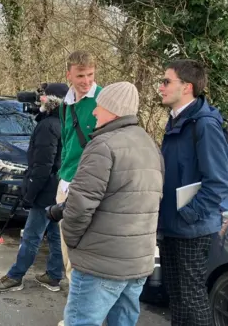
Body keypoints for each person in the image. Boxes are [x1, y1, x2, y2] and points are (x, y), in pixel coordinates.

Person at [46, 81, 163, 326]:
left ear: (115, 110)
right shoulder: (150, 145)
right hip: (138, 261)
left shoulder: (102, 145)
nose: (96, 112)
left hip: (101, 263)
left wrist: (72, 242)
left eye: (100, 106)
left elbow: (79, 205)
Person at [157, 59, 228, 326]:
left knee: (192, 298)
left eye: (166, 81)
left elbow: (221, 181)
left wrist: (189, 214)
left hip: (192, 228)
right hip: (172, 226)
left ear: (187, 87)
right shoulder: (178, 120)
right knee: (176, 296)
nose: (161, 87)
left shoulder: (204, 124)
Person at [0, 83, 69, 294]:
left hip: (45, 191)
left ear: (50, 102)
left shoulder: (48, 126)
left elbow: (42, 166)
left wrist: (29, 194)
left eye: (41, 98)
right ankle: (53, 275)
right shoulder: (64, 123)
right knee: (53, 234)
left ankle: (15, 276)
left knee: (31, 236)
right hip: (57, 188)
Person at [57, 50, 102, 283]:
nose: (86, 81)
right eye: (80, 76)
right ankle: (75, 313)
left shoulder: (104, 99)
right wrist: (62, 174)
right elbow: (66, 141)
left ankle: (82, 315)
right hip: (66, 182)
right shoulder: (66, 102)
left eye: (91, 75)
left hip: (91, 184)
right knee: (68, 255)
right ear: (69, 75)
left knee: (87, 254)